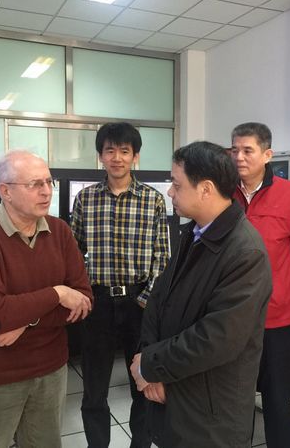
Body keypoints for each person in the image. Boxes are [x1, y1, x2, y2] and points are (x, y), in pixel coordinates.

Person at [129, 141, 272, 448]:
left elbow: (217, 338)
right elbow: (159, 300)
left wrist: (150, 364)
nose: (170, 192)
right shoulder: (193, 233)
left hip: (210, 411)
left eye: (177, 185)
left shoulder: (245, 252)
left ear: (205, 189)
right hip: (176, 391)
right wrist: (151, 366)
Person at [0, 150, 93, 448]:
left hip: (50, 367)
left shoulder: (60, 231)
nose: (46, 191)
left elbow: (83, 300)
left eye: (48, 182)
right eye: (34, 184)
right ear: (5, 191)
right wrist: (57, 293)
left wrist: (25, 321)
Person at [71, 122, 169, 448]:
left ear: (135, 156)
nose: (117, 158)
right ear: (100, 156)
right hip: (97, 302)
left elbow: (162, 258)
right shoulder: (86, 199)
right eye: (110, 151)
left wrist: (146, 300)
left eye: (124, 151)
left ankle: (140, 443)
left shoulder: (153, 200)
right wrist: (83, 294)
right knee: (94, 389)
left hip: (139, 301)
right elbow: (74, 252)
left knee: (142, 383)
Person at [230, 122, 290, 447]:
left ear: (267, 155)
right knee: (235, 395)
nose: (239, 157)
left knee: (277, 396)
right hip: (232, 315)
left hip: (278, 316)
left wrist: (281, 286)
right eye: (234, 150)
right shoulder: (224, 194)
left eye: (247, 150)